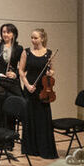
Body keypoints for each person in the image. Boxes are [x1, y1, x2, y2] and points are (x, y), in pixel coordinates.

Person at [22, 28, 59, 159]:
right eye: (32, 37)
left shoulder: (49, 53)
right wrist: (27, 85)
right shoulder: (26, 52)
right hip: (30, 88)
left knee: (43, 118)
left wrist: (50, 73)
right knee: (30, 117)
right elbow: (21, 71)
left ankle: (44, 148)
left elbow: (52, 70)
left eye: (36, 38)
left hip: (43, 89)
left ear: (42, 39)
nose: (33, 40)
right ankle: (31, 149)